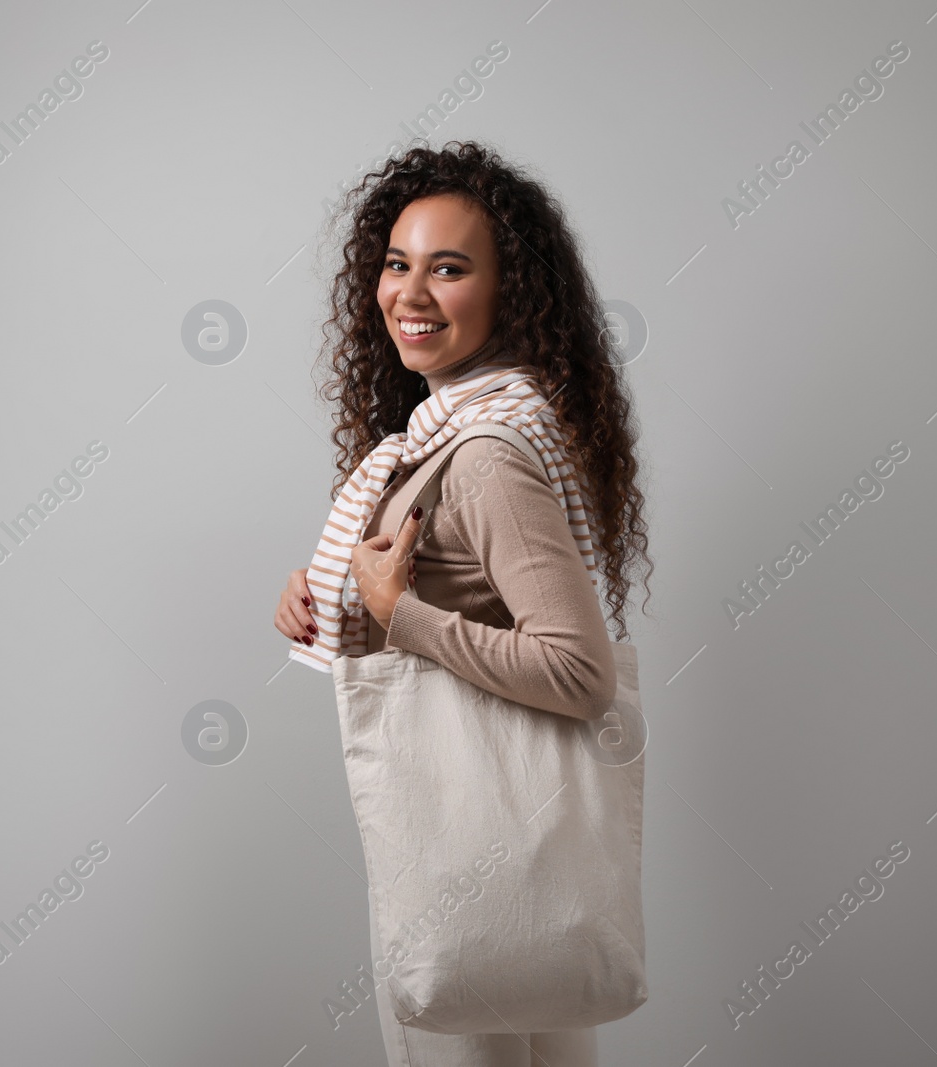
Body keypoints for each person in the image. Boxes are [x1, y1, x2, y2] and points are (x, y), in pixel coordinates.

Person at [273, 141, 652, 1066]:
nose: (410, 292)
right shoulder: (478, 427)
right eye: (396, 264)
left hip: (461, 843)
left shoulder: (482, 452)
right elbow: (467, 589)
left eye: (448, 267)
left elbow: (578, 670)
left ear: (509, 291)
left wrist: (398, 614)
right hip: (519, 853)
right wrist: (328, 592)